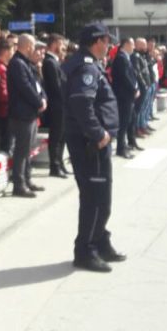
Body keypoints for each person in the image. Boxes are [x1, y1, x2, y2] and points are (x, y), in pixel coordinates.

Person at [62, 23, 125, 273]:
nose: (109, 45)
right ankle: (85, 250)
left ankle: (99, 240)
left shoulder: (87, 63)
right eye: (107, 40)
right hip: (90, 144)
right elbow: (81, 103)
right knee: (96, 200)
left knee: (100, 198)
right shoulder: (86, 67)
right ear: (97, 41)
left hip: (92, 142)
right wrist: (98, 133)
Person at [7, 34, 47, 198]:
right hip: (21, 114)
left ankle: (27, 179)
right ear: (27, 46)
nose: (34, 50)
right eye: (32, 46)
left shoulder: (25, 63)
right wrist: (39, 102)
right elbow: (25, 88)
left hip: (29, 113)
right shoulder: (17, 64)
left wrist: (43, 98)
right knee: (21, 151)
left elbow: (36, 85)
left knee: (28, 149)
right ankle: (19, 184)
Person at [41, 34, 70, 176]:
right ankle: (55, 166)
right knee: (56, 136)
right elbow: (56, 86)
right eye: (60, 44)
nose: (63, 47)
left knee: (62, 135)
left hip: (62, 104)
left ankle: (60, 163)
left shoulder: (55, 61)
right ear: (53, 44)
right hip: (56, 105)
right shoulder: (49, 62)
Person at [111, 38, 139, 157]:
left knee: (131, 119)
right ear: (126, 44)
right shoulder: (121, 58)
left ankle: (129, 143)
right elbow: (125, 77)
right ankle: (120, 149)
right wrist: (134, 89)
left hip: (128, 95)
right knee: (123, 122)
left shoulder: (125, 57)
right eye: (132, 45)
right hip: (124, 95)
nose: (134, 47)